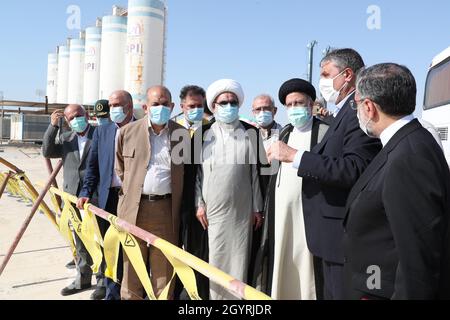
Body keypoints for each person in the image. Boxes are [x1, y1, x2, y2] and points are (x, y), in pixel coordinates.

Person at [267, 49, 382, 299]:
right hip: (325, 232)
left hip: (340, 232)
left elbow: (355, 169)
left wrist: (294, 156)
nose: (323, 81)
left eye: (326, 74)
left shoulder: (357, 111)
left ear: (347, 75)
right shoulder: (345, 111)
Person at [343, 63, 450, 300]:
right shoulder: (405, 142)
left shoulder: (408, 156)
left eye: (356, 103)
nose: (356, 110)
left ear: (369, 107)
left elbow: (417, 257)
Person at [254, 79, 329, 300]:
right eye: (290, 104)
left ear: (311, 104)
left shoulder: (326, 132)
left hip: (309, 213)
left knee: (307, 267)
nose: (295, 108)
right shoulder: (285, 132)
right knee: (281, 262)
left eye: (299, 103)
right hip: (282, 214)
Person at [193, 79, 266, 300]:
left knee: (239, 260)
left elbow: (255, 174)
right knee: (216, 259)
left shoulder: (251, 132)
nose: (228, 106)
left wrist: (257, 208)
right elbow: (196, 175)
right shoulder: (202, 134)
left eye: (232, 102)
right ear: (213, 106)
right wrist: (199, 204)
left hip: (242, 211)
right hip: (212, 212)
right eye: (223, 102)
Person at [115, 86, 189, 300]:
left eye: (165, 103)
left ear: (172, 106)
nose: (161, 108)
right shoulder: (127, 132)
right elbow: (120, 169)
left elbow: (185, 171)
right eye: (156, 104)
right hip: (133, 210)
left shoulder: (181, 134)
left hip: (166, 210)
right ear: (145, 107)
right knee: (132, 269)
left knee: (164, 271)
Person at [77, 90, 135, 300]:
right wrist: (85, 192)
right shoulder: (103, 131)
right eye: (111, 105)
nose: (113, 109)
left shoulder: (141, 129)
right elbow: (92, 167)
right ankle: (113, 292)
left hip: (134, 199)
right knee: (111, 249)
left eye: (117, 104)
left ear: (129, 105)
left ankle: (134, 291)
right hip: (107, 198)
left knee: (133, 249)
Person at [42, 104, 105, 299]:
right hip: (72, 197)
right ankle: (83, 278)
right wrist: (53, 126)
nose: (76, 119)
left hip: (95, 196)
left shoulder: (100, 134)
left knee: (100, 240)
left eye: (79, 115)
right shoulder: (66, 138)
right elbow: (46, 151)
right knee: (79, 240)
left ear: (86, 115)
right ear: (67, 121)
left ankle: (103, 280)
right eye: (71, 117)